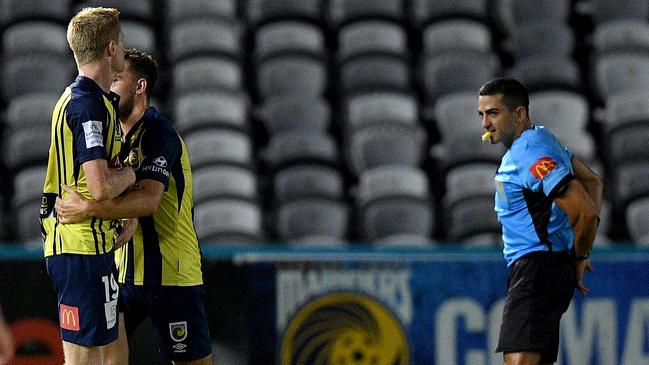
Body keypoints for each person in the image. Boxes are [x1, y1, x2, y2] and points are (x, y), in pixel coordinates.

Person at [55, 48, 212, 365]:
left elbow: (150, 200)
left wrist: (88, 209)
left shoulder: (159, 133)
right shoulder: (113, 136)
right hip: (122, 270)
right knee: (110, 355)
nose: (108, 86)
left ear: (139, 86)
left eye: (116, 79)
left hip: (170, 272)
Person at [478, 78, 602, 365]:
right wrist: (576, 256)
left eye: (493, 113)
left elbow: (585, 211)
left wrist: (580, 255)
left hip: (535, 269)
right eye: (482, 114)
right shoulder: (542, 140)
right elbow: (593, 182)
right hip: (546, 267)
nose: (485, 123)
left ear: (519, 114)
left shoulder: (529, 152)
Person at [40, 7, 136, 365]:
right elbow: (98, 186)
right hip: (78, 248)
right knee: (84, 359)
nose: (125, 49)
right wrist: (131, 175)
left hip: (93, 244)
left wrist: (125, 214)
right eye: (122, 42)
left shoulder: (90, 101)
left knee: (110, 353)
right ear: (111, 48)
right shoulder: (86, 106)